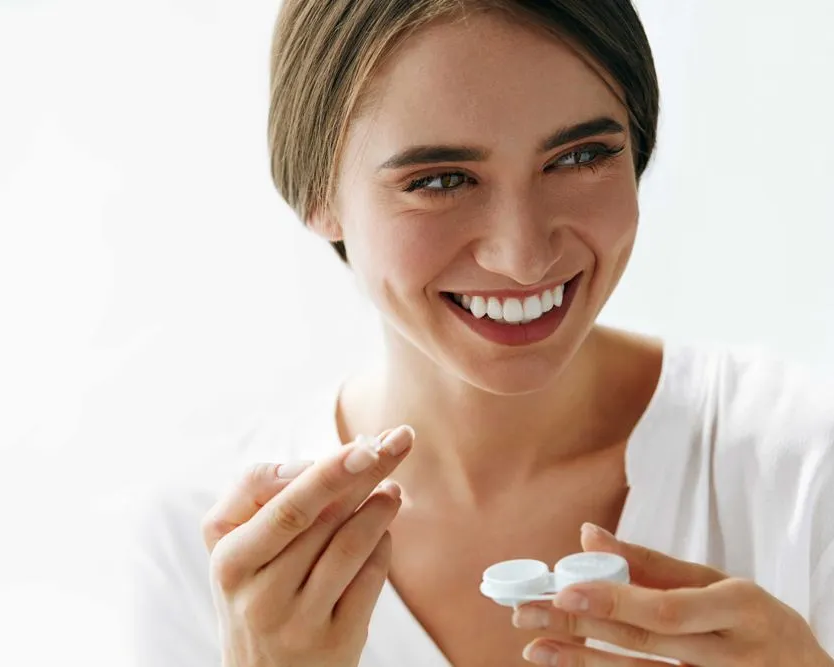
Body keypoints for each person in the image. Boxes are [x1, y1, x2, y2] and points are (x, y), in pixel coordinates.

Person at [134, 1, 834, 665]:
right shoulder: (216, 552)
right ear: (318, 193)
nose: (523, 255)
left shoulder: (803, 470)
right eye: (442, 179)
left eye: (578, 156)